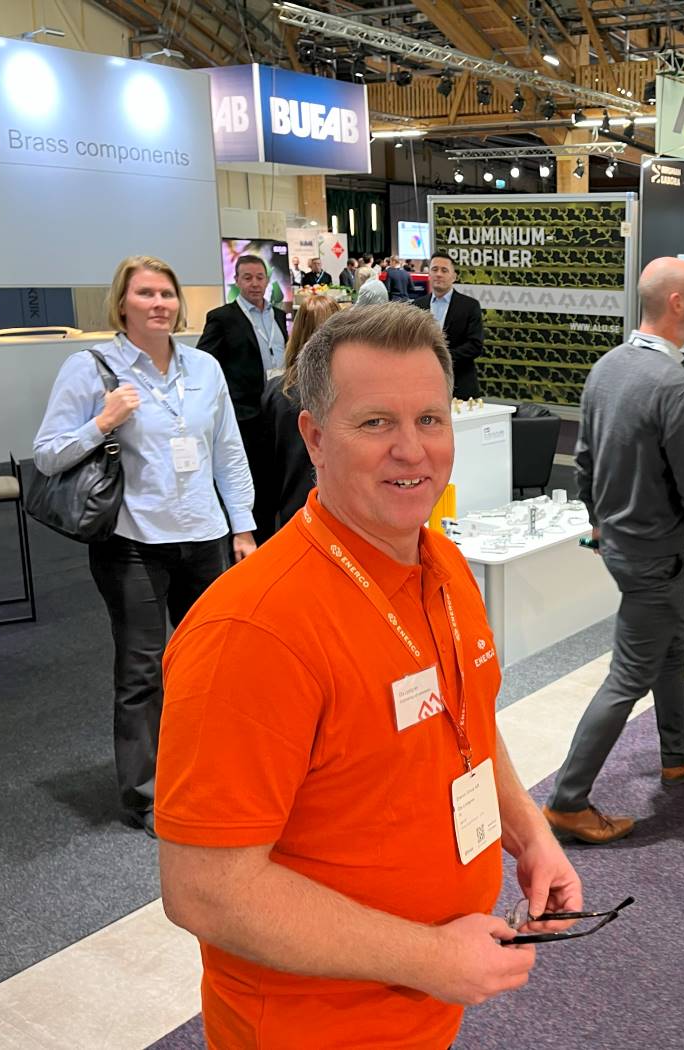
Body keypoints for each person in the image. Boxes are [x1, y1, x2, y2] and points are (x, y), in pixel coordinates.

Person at [155, 302, 581, 1048]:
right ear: (315, 437)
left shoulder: (441, 564)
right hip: (311, 1026)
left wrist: (528, 831)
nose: (412, 451)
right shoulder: (252, 632)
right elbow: (206, 891)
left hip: (421, 1005)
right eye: (376, 422)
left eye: (430, 419)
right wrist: (429, 957)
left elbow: (466, 721)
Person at [33, 256, 256, 839]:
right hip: (133, 541)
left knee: (213, 664)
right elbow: (47, 454)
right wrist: (102, 422)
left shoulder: (204, 367)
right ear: (122, 304)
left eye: (167, 293)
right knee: (142, 671)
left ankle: (210, 774)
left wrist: (243, 527)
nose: (159, 303)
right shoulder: (92, 368)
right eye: (146, 294)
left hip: (204, 537)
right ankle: (147, 796)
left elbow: (228, 452)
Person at [543, 258, 684, 845]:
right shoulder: (674, 386)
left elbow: (584, 458)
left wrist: (598, 521)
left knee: (674, 645)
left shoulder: (607, 367)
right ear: (677, 303)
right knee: (630, 674)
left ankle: (679, 754)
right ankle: (567, 801)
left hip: (624, 543)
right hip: (653, 551)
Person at [196, 255, 290, 541]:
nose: (254, 283)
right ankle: (247, 544)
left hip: (276, 411)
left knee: (273, 485)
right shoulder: (223, 318)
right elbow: (204, 364)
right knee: (250, 486)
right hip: (245, 416)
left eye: (260, 277)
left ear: (267, 280)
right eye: (247, 278)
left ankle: (272, 543)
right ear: (236, 281)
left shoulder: (277, 316)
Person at [257, 294, 342, 532]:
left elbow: (265, 467)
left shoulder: (277, 392)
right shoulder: (352, 391)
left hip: (292, 516)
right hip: (344, 515)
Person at [416, 250, 485, 399]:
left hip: (460, 383)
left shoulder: (469, 306)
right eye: (434, 269)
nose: (438, 274)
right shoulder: (417, 306)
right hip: (424, 384)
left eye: (444, 270)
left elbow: (475, 345)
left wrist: (442, 358)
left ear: (454, 276)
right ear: (429, 274)